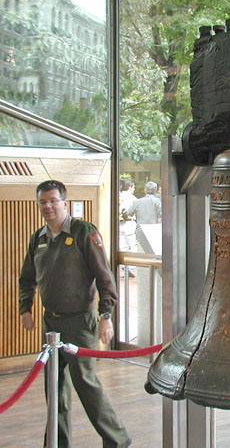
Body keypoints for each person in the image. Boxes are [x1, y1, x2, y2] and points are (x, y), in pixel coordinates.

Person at [19, 180, 131, 448]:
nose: (48, 206)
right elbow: (27, 279)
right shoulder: (39, 238)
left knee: (86, 385)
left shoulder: (84, 232)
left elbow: (105, 278)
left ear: (64, 203)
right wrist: (26, 309)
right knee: (54, 389)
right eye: (43, 202)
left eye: (53, 201)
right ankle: (56, 443)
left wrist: (106, 316)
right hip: (51, 323)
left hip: (81, 323)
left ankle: (117, 438)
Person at [118, 179, 137, 253]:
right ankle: (131, 264)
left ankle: (122, 264)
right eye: (133, 187)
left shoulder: (118, 197)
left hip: (119, 223)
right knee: (132, 246)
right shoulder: (132, 198)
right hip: (129, 223)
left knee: (122, 247)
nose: (134, 189)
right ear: (129, 187)